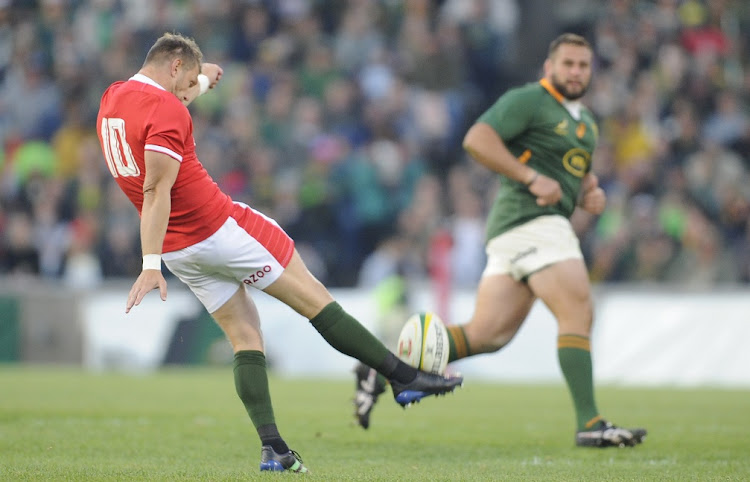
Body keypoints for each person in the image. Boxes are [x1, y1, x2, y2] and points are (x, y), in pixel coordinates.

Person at [96, 32, 463, 473]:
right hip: (219, 229)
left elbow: (165, 108)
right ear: (175, 66)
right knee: (314, 299)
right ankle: (403, 377)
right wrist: (148, 264)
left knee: (245, 337)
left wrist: (204, 78)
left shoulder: (114, 98)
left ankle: (274, 449)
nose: (189, 90)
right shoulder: (167, 107)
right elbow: (157, 187)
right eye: (188, 78)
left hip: (182, 251)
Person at [353, 33, 646, 448]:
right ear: (549, 67)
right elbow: (477, 139)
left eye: (583, 65)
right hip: (533, 223)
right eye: (568, 64)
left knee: (486, 335)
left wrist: (588, 193)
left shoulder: (586, 124)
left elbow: (571, 180)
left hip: (516, 232)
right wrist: (530, 177)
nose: (576, 72)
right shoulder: (531, 99)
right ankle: (590, 422)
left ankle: (380, 370)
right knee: (578, 309)